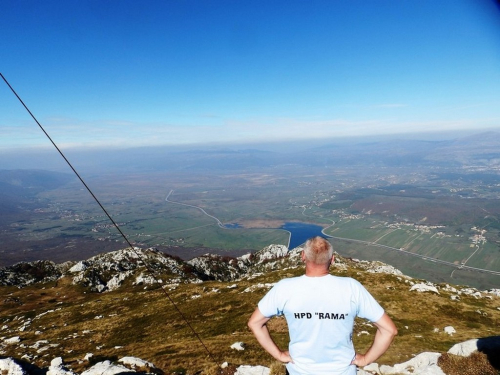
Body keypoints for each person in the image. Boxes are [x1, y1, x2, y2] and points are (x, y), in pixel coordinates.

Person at [248, 236, 397, 375]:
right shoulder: (352, 287)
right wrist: (365, 360)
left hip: (299, 371)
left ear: (303, 256)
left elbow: (255, 323)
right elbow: (389, 330)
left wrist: (279, 355)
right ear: (332, 260)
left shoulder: (285, 288)